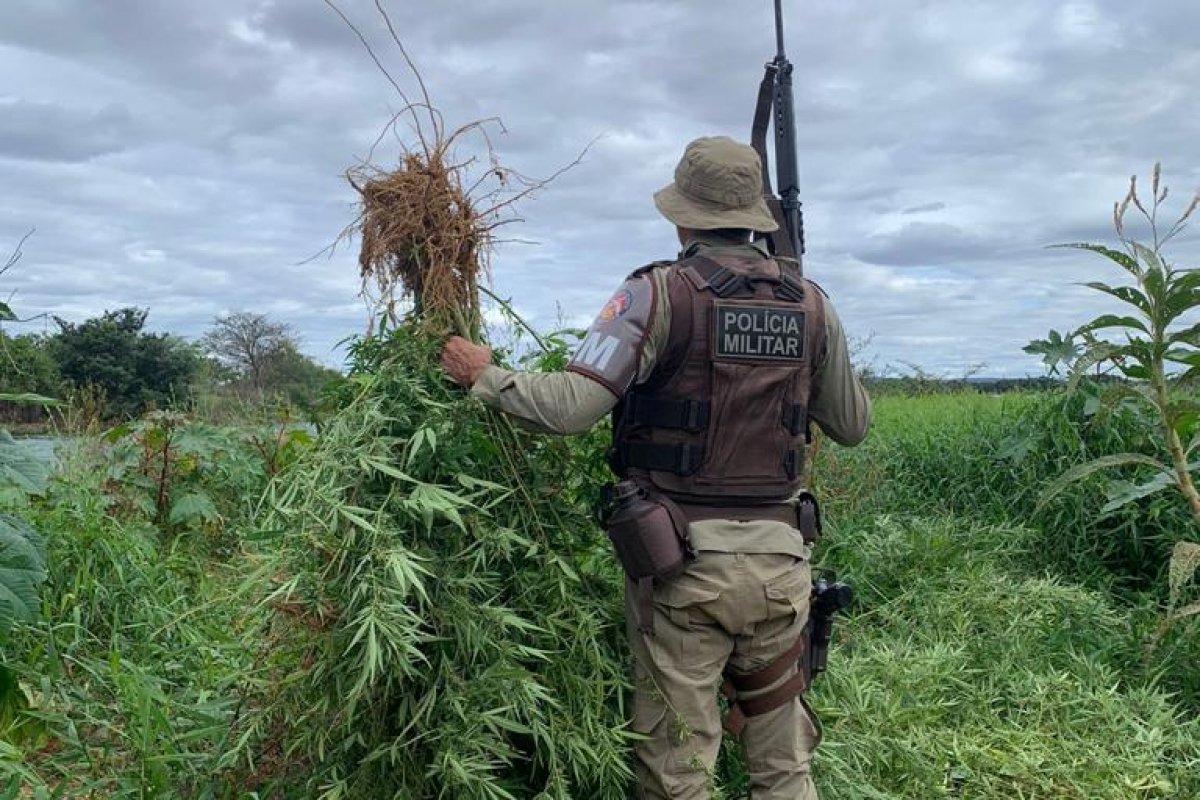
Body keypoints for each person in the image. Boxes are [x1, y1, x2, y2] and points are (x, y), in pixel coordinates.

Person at [441, 135, 870, 800]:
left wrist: (485, 376)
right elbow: (853, 424)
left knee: (678, 772)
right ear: (757, 217)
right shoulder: (812, 303)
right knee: (784, 768)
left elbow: (572, 408)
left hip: (683, 570)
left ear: (682, 218)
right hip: (783, 566)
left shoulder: (658, 293)